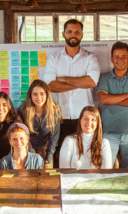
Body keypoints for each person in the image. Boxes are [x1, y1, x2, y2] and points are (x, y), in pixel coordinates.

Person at [43, 18, 100, 157]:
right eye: (69, 31)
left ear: (81, 35)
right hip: (59, 118)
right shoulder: (54, 58)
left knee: (84, 155)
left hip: (85, 118)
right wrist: (80, 82)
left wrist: (62, 79)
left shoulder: (90, 58)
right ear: (63, 34)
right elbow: (50, 86)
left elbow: (91, 82)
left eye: (77, 32)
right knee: (60, 156)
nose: (73, 34)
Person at [97, 42, 128, 168]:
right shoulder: (105, 78)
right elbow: (103, 99)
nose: (120, 60)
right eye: (117, 57)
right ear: (112, 59)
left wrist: (112, 99)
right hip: (109, 132)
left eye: (124, 56)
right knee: (106, 169)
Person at [18, 80, 61, 169]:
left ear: (47, 95)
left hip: (46, 148)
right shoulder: (23, 111)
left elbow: (54, 138)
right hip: (27, 148)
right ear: (30, 95)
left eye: (42, 94)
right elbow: (23, 135)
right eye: (35, 94)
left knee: (47, 178)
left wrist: (47, 159)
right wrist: (32, 155)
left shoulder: (55, 111)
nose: (39, 97)